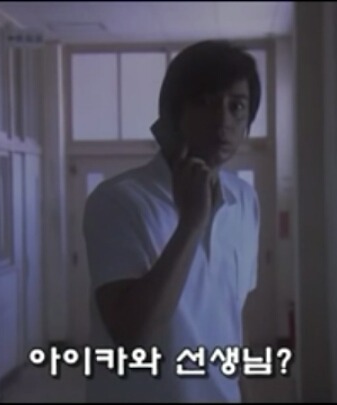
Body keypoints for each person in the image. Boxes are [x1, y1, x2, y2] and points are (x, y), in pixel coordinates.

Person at [83, 39, 261, 403]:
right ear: (172, 114)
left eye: (237, 106)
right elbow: (132, 334)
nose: (223, 121)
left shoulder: (244, 200)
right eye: (205, 102)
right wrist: (191, 224)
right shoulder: (119, 200)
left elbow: (229, 321)